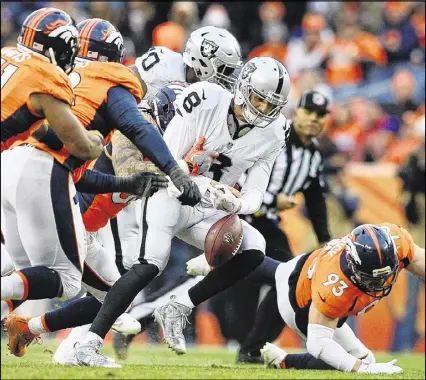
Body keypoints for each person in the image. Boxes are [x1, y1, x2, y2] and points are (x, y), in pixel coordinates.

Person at [1, 17, 200, 327]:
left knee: (33, 273)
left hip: (15, 165)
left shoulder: (64, 78)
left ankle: (37, 330)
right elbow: (136, 127)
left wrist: (127, 183)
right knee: (66, 281)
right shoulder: (107, 83)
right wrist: (174, 170)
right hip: (42, 174)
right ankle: (71, 341)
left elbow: (75, 175)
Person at [235, 90, 332, 363]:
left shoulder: (313, 155)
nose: (314, 119)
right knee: (203, 281)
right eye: (309, 112)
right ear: (296, 111)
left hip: (266, 223)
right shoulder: (274, 133)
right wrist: (269, 199)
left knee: (292, 279)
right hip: (237, 217)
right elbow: (238, 173)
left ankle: (253, 348)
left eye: (321, 115)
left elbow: (315, 197)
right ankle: (137, 318)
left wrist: (324, 238)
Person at [255, 223, 425, 374]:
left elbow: (420, 261)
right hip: (298, 299)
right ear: (353, 265)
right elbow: (318, 344)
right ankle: (282, 361)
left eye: (384, 275)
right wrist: (364, 369)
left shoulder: (399, 242)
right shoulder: (335, 283)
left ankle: (279, 360)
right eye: (370, 279)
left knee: (363, 358)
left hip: (309, 266)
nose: (379, 284)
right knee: (359, 362)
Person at [1, 7, 104, 158]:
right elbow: (84, 148)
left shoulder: (5, 53)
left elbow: (21, 120)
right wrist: (98, 139)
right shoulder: (46, 78)